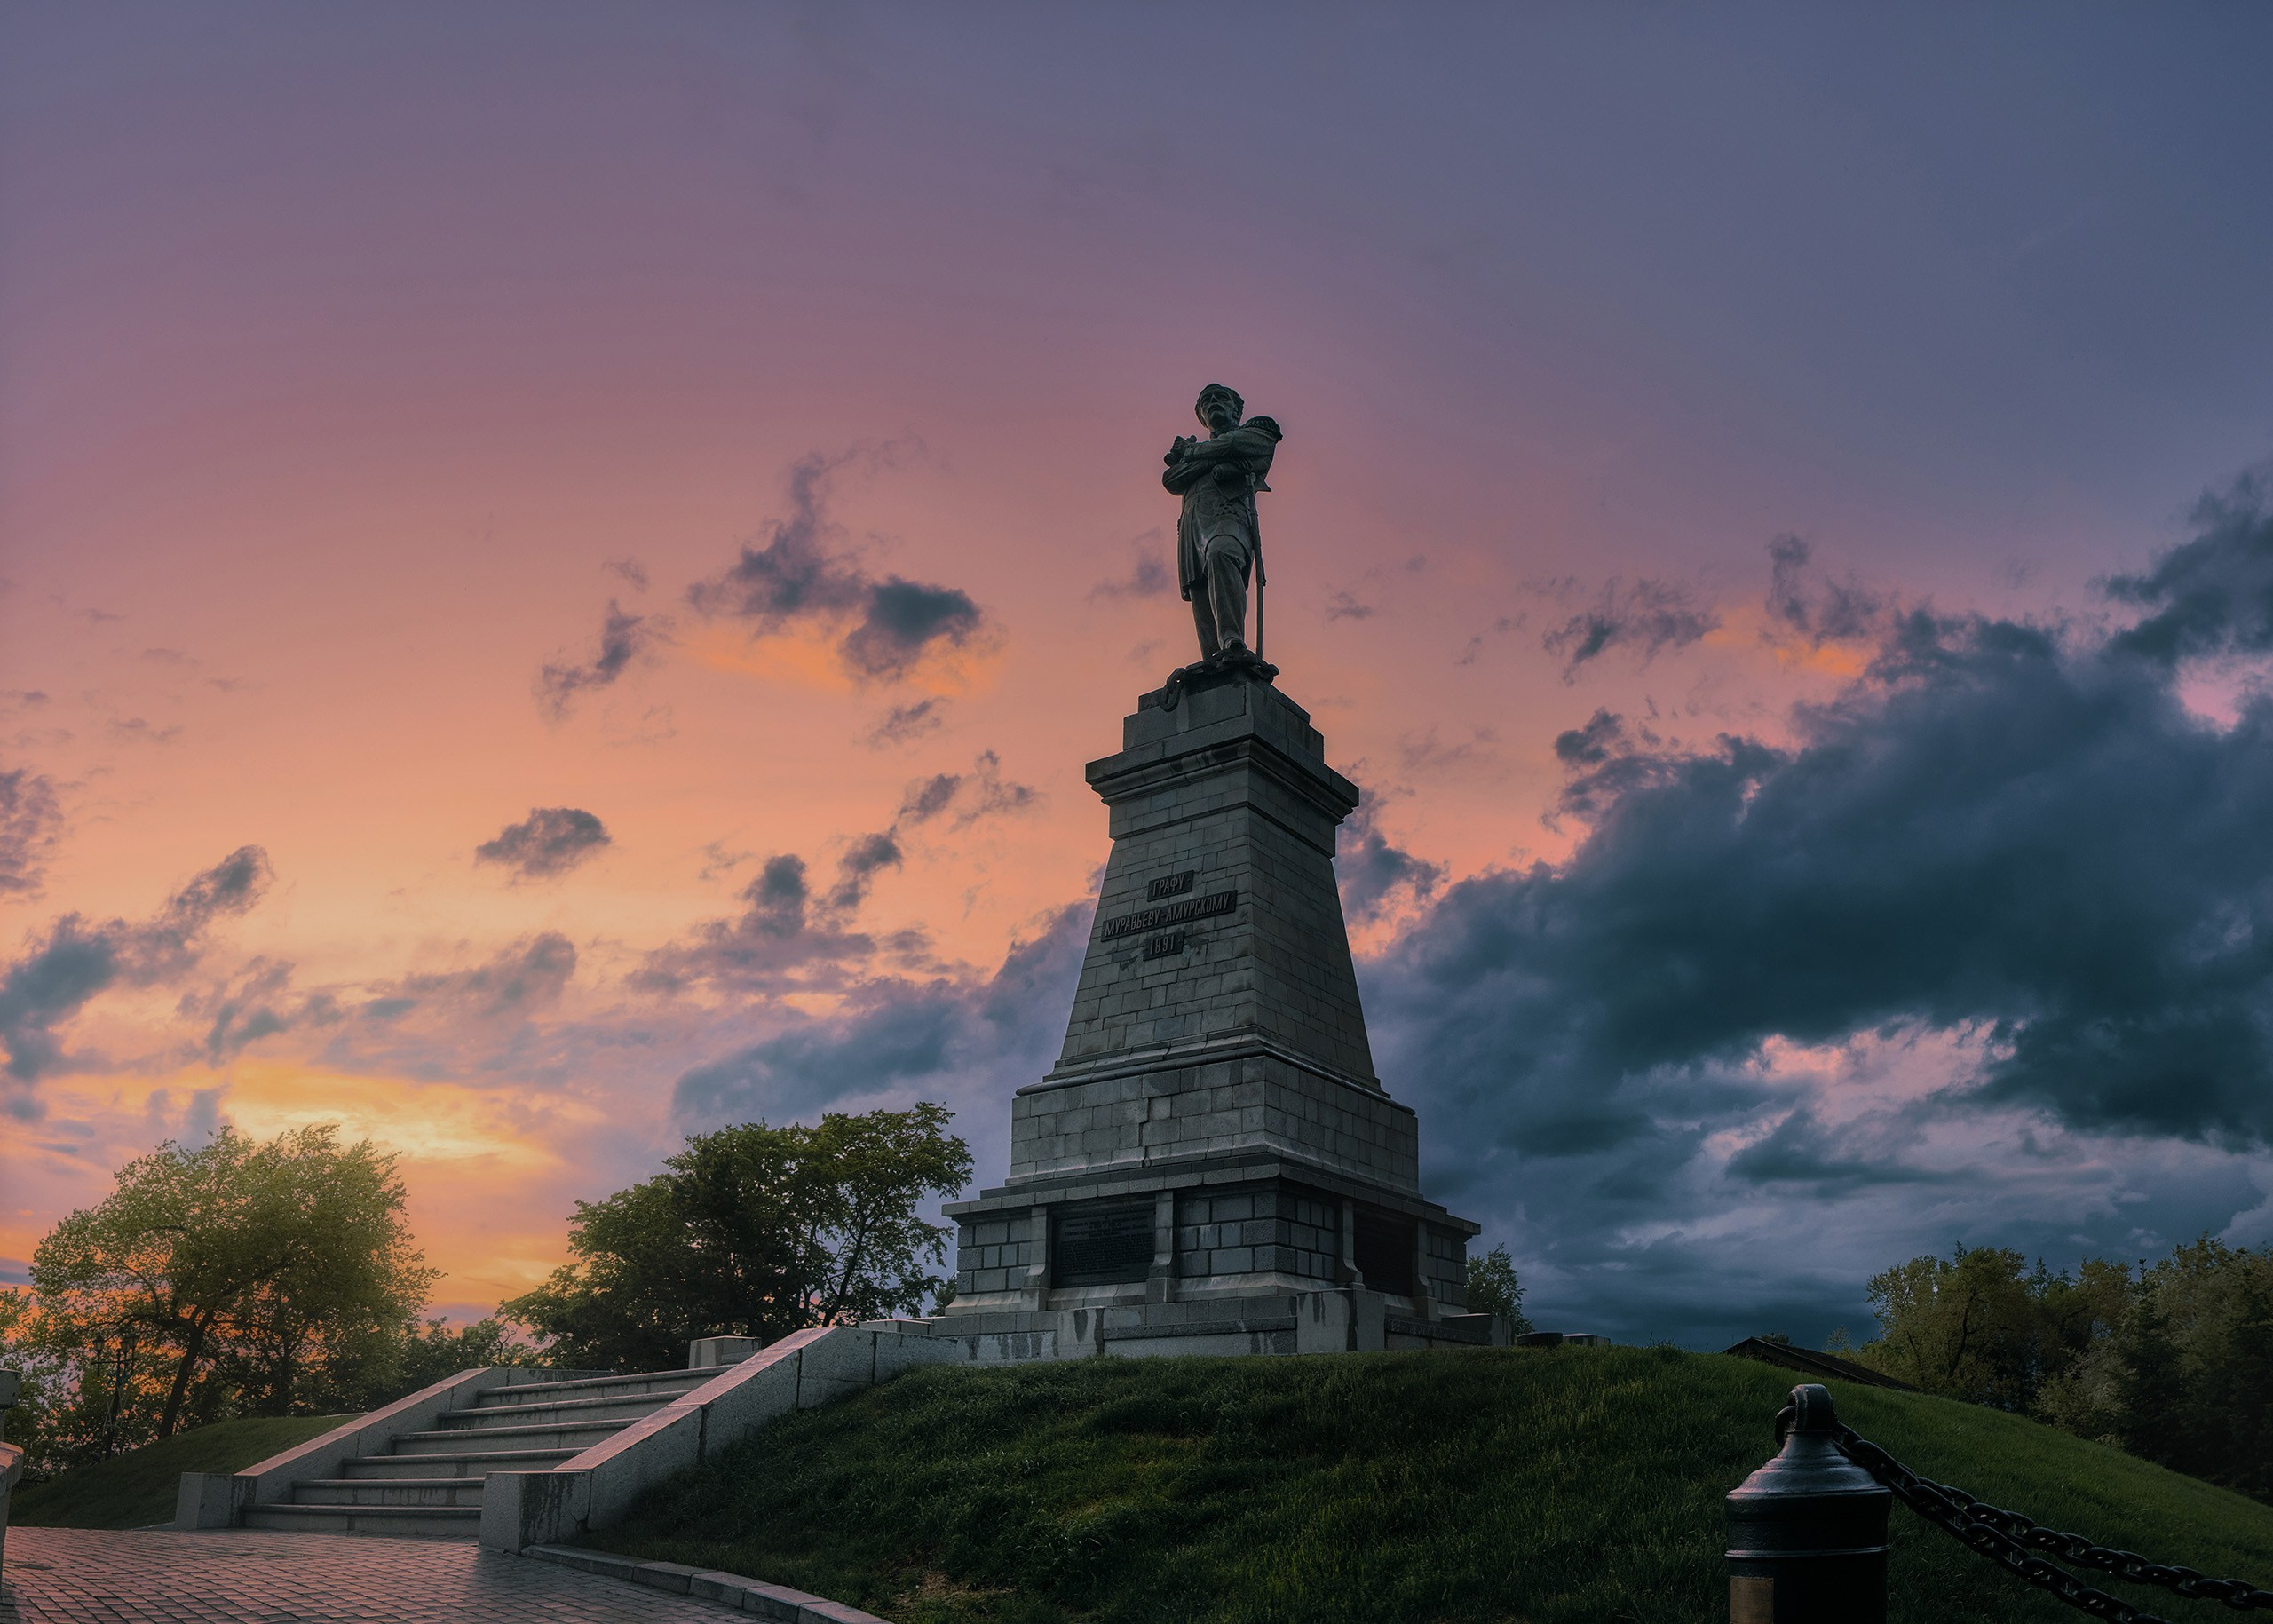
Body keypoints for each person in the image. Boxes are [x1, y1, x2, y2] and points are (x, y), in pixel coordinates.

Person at [1164, 384, 1281, 663]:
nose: (1214, 402)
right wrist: (1213, 457)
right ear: (1201, 416)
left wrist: (1193, 453)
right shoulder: (1205, 450)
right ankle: (1213, 660)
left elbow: (1237, 444)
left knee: (1222, 552)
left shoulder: (1257, 430)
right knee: (1200, 590)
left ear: (1236, 409)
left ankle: (1233, 641)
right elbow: (1171, 480)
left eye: (1221, 397)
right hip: (1193, 524)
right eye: (1207, 400)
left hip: (1229, 515)